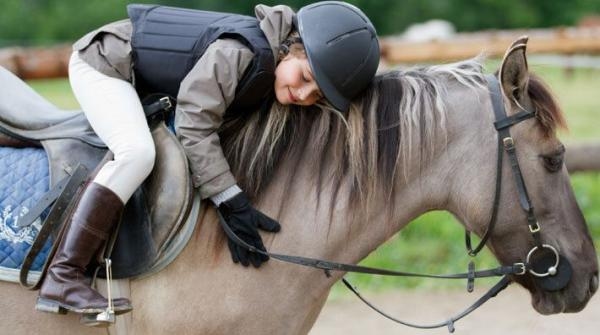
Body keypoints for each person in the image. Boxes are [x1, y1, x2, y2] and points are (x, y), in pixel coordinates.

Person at [35, 1, 380, 318]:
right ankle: (63, 274)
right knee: (136, 153)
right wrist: (230, 198)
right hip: (104, 65)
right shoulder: (239, 53)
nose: (302, 95)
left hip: (137, 77)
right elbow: (194, 123)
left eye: (315, 94)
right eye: (305, 78)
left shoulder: (271, 65)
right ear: (290, 49)